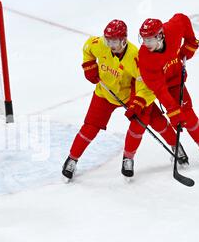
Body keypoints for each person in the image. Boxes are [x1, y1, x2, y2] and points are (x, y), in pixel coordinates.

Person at [62, 20, 187, 181]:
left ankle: (169, 149)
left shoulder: (135, 57)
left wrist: (138, 102)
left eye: (113, 41)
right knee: (90, 127)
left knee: (156, 121)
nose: (109, 44)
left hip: (130, 95)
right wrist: (89, 65)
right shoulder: (101, 44)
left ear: (123, 40)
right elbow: (87, 47)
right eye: (108, 40)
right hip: (104, 94)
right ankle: (72, 159)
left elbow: (147, 84)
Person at [137, 14, 199, 165]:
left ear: (160, 35)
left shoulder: (172, 30)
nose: (146, 43)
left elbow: (182, 18)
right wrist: (173, 112)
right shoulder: (145, 57)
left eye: (149, 39)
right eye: (144, 39)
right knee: (171, 118)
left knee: (189, 115)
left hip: (176, 81)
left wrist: (190, 43)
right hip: (162, 88)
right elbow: (159, 89)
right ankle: (176, 147)